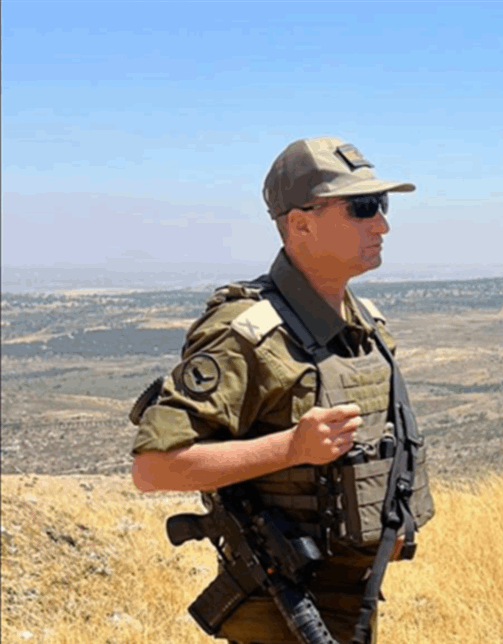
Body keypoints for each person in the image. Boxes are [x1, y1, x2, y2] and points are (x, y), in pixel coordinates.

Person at [128, 136, 435, 644]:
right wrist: (291, 448)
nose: (381, 224)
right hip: (281, 609)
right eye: (361, 207)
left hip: (353, 599)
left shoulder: (365, 324)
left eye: (380, 204)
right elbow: (154, 467)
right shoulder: (247, 332)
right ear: (300, 223)